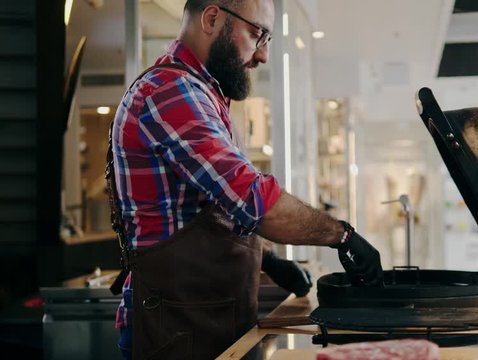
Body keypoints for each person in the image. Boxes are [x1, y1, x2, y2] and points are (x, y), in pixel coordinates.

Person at [106, 0, 384, 358]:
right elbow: (254, 200)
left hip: (202, 318)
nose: (263, 55)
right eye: (258, 35)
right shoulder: (171, 93)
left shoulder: (204, 95)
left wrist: (268, 260)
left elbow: (208, 208)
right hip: (174, 329)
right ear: (211, 18)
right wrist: (342, 235)